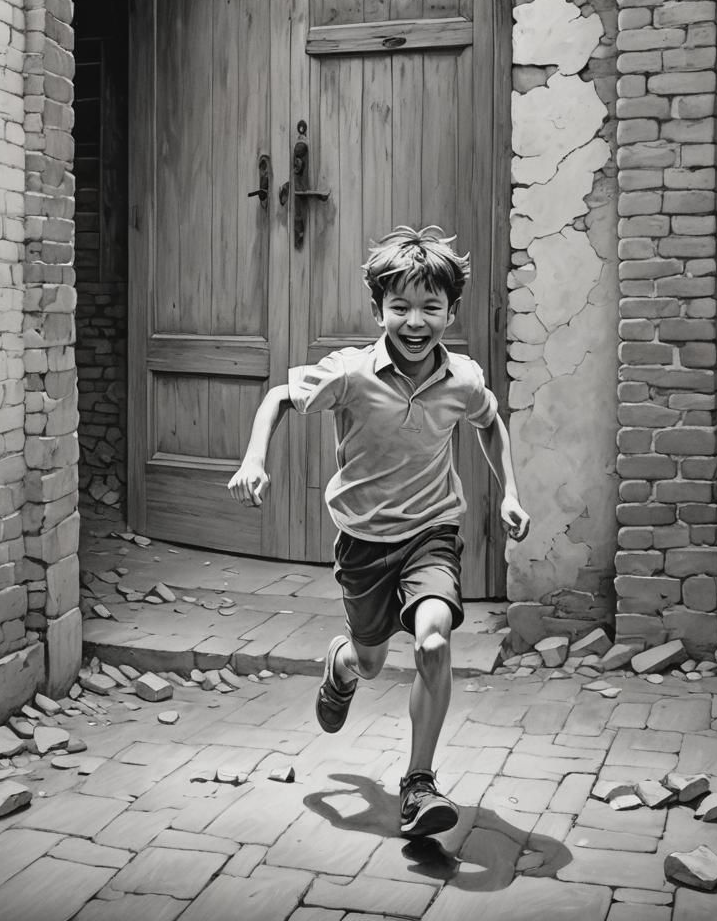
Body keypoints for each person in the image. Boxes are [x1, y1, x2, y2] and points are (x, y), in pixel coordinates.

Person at [227, 224, 530, 838]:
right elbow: (279, 399)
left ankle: (419, 786)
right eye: (400, 307)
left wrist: (510, 493)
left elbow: (491, 424)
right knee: (370, 661)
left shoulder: (463, 379)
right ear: (378, 310)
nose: (414, 321)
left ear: (451, 310)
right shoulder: (351, 373)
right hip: (365, 541)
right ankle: (341, 668)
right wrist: (254, 458)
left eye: (430, 307)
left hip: (432, 532)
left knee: (434, 643)